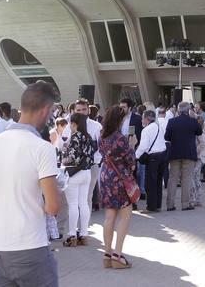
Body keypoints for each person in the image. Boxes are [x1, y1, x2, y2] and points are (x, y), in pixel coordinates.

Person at [0, 81, 60, 286]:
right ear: (45, 110)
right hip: (30, 248)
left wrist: (6, 201)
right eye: (51, 112)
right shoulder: (41, 148)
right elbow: (53, 206)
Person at [98, 104, 137, 269]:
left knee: (109, 216)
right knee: (126, 215)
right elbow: (131, 161)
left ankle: (107, 253)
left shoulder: (102, 136)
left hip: (106, 175)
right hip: (120, 179)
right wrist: (133, 145)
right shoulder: (120, 138)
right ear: (119, 120)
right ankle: (117, 255)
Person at [59, 112, 96, 246]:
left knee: (73, 204)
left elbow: (73, 158)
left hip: (75, 173)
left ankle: (72, 235)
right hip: (86, 172)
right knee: (83, 203)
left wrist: (64, 156)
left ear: (74, 124)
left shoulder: (75, 137)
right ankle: (84, 234)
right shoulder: (88, 137)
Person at [164, 101, 202, 211]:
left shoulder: (171, 121)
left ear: (178, 110)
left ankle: (170, 204)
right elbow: (199, 132)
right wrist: (195, 117)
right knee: (186, 178)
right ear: (188, 110)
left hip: (174, 152)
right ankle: (185, 204)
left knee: (172, 178)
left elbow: (167, 137)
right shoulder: (193, 121)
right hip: (189, 153)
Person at [134, 109, 169, 212]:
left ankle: (151, 207)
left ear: (147, 119)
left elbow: (143, 146)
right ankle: (158, 205)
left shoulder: (146, 130)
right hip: (162, 155)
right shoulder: (158, 127)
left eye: (143, 118)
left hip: (153, 157)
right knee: (158, 182)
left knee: (150, 183)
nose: (142, 120)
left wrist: (135, 156)